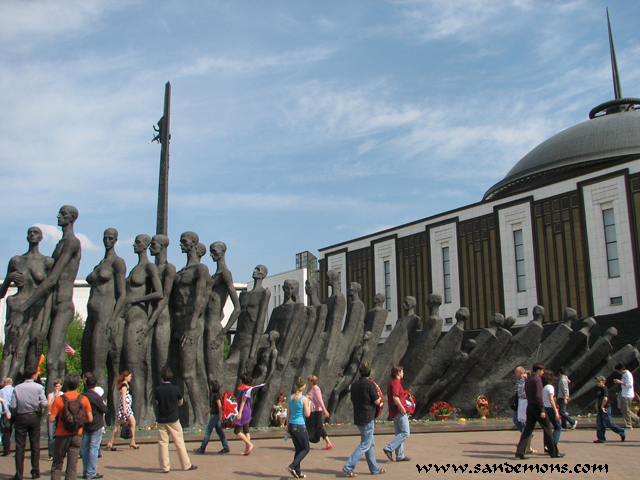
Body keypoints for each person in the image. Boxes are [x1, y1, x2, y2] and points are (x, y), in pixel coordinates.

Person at [342, 362, 385, 477]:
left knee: (369, 443)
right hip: (368, 417)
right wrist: (380, 403)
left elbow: (353, 401)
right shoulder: (370, 385)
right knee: (365, 444)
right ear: (369, 372)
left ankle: (375, 469)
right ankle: (348, 466)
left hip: (359, 416)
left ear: (360, 373)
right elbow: (376, 401)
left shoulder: (355, 385)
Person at [48, 372, 93, 480]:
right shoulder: (83, 399)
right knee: (72, 466)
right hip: (77, 434)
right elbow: (90, 418)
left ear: (66, 384)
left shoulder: (59, 399)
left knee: (57, 464)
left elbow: (51, 419)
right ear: (78, 384)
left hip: (61, 434)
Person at [515, 363, 563, 460]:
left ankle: (520, 452)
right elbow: (539, 396)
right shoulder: (537, 379)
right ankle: (553, 452)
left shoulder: (528, 380)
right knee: (547, 428)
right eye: (541, 371)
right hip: (537, 407)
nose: (542, 373)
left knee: (528, 429)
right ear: (538, 371)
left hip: (530, 406)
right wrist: (542, 410)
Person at [154, 368, 197, 473]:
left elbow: (157, 402)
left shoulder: (158, 390)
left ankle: (165, 467)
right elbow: (181, 402)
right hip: (173, 419)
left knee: (163, 443)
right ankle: (186, 465)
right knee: (179, 442)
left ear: (162, 378)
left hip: (161, 420)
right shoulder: (176, 389)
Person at [10, 366, 47, 480]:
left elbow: (13, 405)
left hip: (21, 417)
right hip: (34, 416)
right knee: (35, 445)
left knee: (20, 446)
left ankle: (19, 473)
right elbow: (44, 403)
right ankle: (35, 471)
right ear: (33, 375)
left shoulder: (17, 388)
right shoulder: (39, 387)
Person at [81, 375, 107, 479]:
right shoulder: (96, 397)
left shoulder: (82, 396)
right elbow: (105, 409)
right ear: (95, 385)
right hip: (96, 424)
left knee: (86, 448)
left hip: (85, 424)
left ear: (86, 385)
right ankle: (91, 472)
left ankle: (85, 471)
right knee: (94, 448)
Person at [193, 380, 230, 454]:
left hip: (215, 416)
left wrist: (220, 416)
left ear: (213, 387)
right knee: (219, 432)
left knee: (208, 431)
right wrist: (209, 411)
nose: (210, 387)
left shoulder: (216, 396)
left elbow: (219, 406)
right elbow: (215, 406)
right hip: (215, 415)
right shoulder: (217, 395)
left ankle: (202, 448)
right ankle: (226, 447)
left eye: (211, 385)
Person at [383, 365, 410, 462]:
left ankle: (400, 455)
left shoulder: (393, 383)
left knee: (399, 433)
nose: (403, 373)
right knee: (405, 432)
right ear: (398, 373)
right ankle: (389, 448)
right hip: (399, 411)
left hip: (395, 412)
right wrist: (402, 407)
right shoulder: (396, 383)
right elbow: (395, 397)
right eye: (402, 371)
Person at [105, 371, 138, 450]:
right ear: (125, 377)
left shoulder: (126, 385)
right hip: (125, 408)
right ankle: (110, 443)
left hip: (127, 408)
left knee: (131, 423)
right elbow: (123, 398)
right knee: (119, 425)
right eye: (129, 376)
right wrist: (124, 410)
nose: (130, 378)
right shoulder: (124, 385)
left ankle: (132, 441)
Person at [286, 377, 311, 479]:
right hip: (300, 426)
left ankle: (298, 472)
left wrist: (287, 427)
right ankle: (292, 466)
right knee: (306, 449)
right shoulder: (304, 399)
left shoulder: (290, 398)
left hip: (292, 425)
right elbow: (308, 414)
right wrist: (309, 403)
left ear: (295, 386)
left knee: (298, 449)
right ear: (304, 387)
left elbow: (288, 413)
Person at [593, 376, 626, 443]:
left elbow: (605, 398)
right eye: (597, 382)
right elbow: (600, 398)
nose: (598, 383)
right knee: (600, 423)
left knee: (608, 422)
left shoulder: (604, 389)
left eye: (599, 381)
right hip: (600, 408)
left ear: (604, 382)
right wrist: (597, 403)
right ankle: (601, 438)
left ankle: (621, 431)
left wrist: (602, 406)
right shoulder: (600, 389)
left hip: (606, 408)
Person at [305, 375, 333, 450]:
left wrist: (324, 410)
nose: (308, 382)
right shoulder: (313, 389)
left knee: (317, 426)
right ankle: (328, 442)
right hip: (313, 410)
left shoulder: (316, 389)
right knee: (318, 426)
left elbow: (319, 400)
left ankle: (328, 442)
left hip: (316, 411)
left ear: (313, 382)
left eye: (309, 380)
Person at [614, 363, 640, 429]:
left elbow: (630, 385)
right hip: (624, 394)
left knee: (626, 410)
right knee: (625, 410)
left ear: (622, 369)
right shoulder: (624, 375)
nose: (618, 372)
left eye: (618, 371)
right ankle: (637, 420)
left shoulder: (628, 375)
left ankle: (629, 425)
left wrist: (621, 382)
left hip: (628, 395)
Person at [235, 373, 255, 455]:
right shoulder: (249, 389)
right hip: (248, 410)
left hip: (244, 411)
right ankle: (247, 450)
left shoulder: (245, 390)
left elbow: (243, 401)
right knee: (246, 430)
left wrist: (239, 413)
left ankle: (250, 444)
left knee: (236, 431)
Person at [541, 371, 561, 449]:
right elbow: (551, 400)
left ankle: (546, 445)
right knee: (557, 427)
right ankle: (553, 445)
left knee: (547, 428)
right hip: (550, 408)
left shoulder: (543, 387)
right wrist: (556, 412)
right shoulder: (550, 387)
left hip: (544, 408)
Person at [46, 379, 63, 461]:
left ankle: (59, 453)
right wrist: (55, 398)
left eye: (58, 386)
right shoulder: (51, 395)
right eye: (56, 386)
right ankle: (51, 454)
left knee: (59, 435)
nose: (57, 387)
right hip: (51, 414)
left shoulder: (63, 395)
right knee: (50, 436)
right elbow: (49, 406)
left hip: (60, 416)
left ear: (61, 386)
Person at [0, 377, 14, 456]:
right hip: (15, 410)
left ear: (4, 383)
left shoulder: (1, 391)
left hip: (5, 411)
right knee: (18, 429)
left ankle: (6, 450)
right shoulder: (15, 390)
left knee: (6, 430)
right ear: (11, 383)